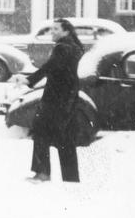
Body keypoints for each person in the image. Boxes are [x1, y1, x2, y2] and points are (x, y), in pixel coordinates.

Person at [14, 18, 84, 183]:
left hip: (55, 99)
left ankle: (42, 173)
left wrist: (29, 80)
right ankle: (71, 178)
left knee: (40, 131)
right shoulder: (75, 47)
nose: (52, 32)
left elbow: (50, 66)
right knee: (65, 138)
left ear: (66, 31)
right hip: (68, 98)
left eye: (56, 29)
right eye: (51, 28)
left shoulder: (62, 48)